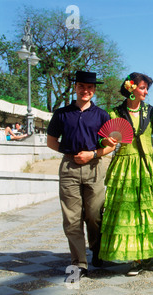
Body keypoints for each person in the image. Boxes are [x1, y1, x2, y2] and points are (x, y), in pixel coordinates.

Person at [98, 73, 153, 276]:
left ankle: (147, 253)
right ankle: (135, 258)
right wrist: (105, 142)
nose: (145, 92)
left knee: (149, 209)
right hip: (125, 165)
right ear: (131, 87)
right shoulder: (115, 112)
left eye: (146, 89)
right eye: (142, 88)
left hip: (147, 166)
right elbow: (105, 139)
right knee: (128, 212)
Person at [47, 71, 116, 279]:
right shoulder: (61, 114)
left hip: (94, 166)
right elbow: (51, 141)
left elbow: (110, 147)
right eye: (82, 86)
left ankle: (96, 248)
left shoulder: (102, 115)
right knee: (72, 218)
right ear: (75, 88)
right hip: (69, 167)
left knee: (94, 214)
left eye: (90, 87)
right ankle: (79, 262)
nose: (85, 90)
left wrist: (92, 154)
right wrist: (70, 154)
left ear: (94, 90)